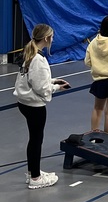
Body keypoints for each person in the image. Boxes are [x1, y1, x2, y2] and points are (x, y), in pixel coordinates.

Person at [14, 23, 70, 189]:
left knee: (34, 139)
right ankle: (36, 178)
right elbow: (41, 88)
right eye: (51, 36)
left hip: (24, 102)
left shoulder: (30, 54)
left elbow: (32, 79)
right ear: (46, 38)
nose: (53, 39)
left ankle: (33, 172)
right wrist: (56, 87)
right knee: (36, 140)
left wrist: (52, 80)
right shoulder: (39, 59)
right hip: (34, 106)